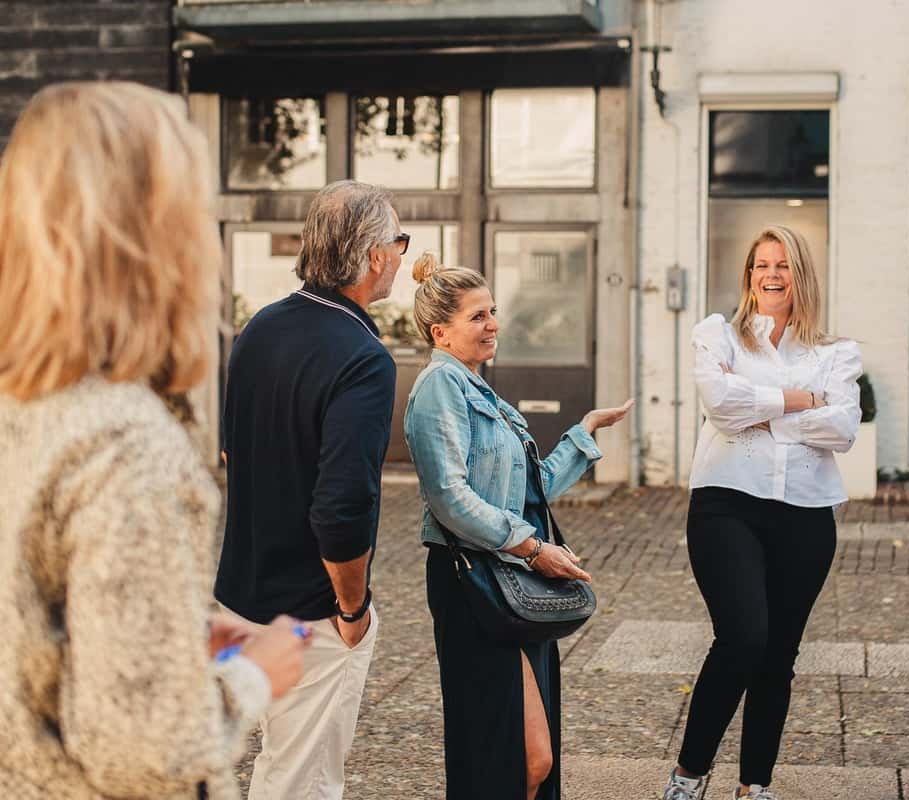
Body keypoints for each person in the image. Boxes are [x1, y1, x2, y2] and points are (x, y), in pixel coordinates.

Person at [0, 81, 308, 799]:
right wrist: (255, 676)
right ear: (153, 238)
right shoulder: (124, 444)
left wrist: (166, 627)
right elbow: (144, 748)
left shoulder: (24, 410)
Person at [403, 254, 632, 800]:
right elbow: (450, 498)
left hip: (509, 585)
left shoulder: (482, 392)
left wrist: (583, 435)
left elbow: (528, 491)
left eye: (493, 312)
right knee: (512, 755)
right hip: (474, 584)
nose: (493, 325)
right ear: (442, 331)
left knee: (530, 759)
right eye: (478, 316)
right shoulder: (441, 387)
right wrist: (532, 549)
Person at [213, 179, 404, 799]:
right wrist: (351, 608)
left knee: (271, 766)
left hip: (240, 596)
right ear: (375, 256)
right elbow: (343, 507)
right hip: (310, 613)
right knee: (302, 783)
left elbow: (229, 451)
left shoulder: (258, 328)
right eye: (399, 241)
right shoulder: (364, 356)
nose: (403, 253)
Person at [661, 226, 862, 800]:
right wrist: (801, 400)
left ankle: (755, 787)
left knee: (779, 656)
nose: (771, 275)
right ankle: (690, 774)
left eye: (784, 265)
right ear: (749, 275)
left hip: (805, 513)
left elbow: (844, 428)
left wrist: (759, 406)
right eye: (760, 266)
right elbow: (721, 407)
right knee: (744, 636)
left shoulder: (835, 351)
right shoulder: (718, 336)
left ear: (802, 275)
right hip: (727, 502)